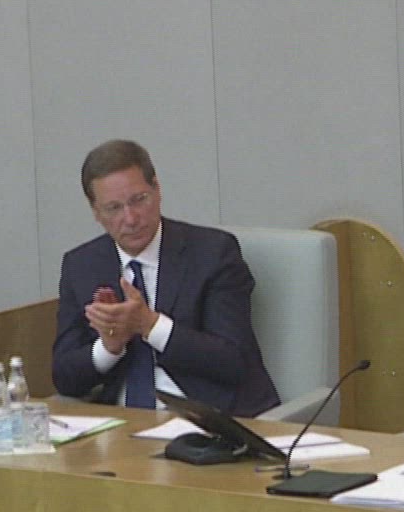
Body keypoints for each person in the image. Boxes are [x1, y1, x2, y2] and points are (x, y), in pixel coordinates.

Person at [51, 139, 279, 416]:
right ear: (96, 212)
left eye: (139, 200)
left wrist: (150, 325)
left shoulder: (213, 253)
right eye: (114, 208)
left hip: (207, 419)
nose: (131, 218)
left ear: (157, 189)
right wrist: (109, 348)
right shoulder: (81, 265)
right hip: (122, 425)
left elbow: (234, 361)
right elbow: (64, 377)